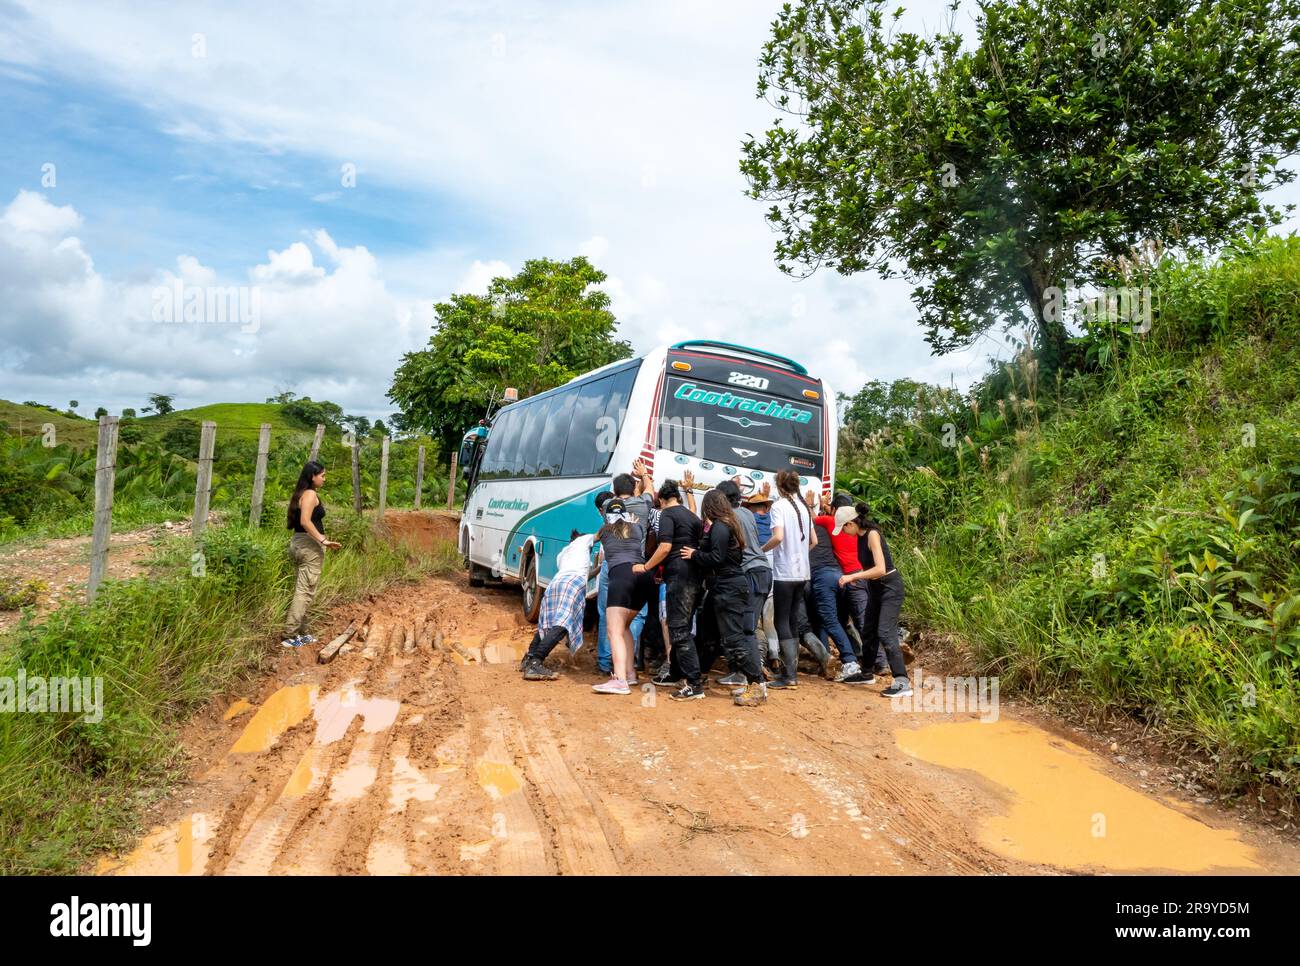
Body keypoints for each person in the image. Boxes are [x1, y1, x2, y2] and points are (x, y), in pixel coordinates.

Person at [682, 490, 765, 706]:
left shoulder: (721, 525)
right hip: (723, 587)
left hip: (728, 587)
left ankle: (758, 684)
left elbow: (716, 558)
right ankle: (697, 678)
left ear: (709, 506)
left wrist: (694, 554)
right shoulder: (730, 523)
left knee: (733, 639)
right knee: (708, 634)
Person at [635, 479, 704, 692]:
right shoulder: (692, 516)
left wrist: (646, 566)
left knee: (678, 629)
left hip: (678, 575)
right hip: (695, 575)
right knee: (681, 625)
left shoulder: (667, 514)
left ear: (662, 500)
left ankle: (694, 683)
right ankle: (675, 673)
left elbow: (664, 547)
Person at [847, 502, 911, 697]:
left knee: (885, 632)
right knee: (868, 630)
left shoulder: (872, 534)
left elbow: (880, 568)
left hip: (890, 587)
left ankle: (902, 681)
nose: (842, 531)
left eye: (843, 527)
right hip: (875, 588)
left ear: (852, 523)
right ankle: (866, 672)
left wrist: (853, 576)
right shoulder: (859, 536)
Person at [593, 498, 655, 695]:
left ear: (606, 515)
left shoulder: (604, 530)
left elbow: (592, 538)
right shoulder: (636, 528)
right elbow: (631, 526)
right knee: (625, 626)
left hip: (621, 577)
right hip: (643, 578)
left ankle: (619, 680)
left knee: (614, 631)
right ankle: (630, 673)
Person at [716, 479, 774, 688]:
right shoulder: (748, 514)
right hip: (764, 570)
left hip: (749, 572)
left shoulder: (728, 518)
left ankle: (752, 677)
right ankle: (743, 672)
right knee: (746, 625)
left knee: (745, 627)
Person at [761, 470, 816, 688]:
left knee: (780, 621)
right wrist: (800, 554)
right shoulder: (804, 507)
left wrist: (762, 550)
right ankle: (790, 673)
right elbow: (813, 541)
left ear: (781, 488)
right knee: (792, 621)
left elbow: (778, 537)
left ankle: (789, 676)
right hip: (803, 572)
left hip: (784, 572)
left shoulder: (779, 506)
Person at [519, 529, 598, 680]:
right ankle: (536, 662)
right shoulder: (584, 540)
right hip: (572, 585)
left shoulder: (564, 553)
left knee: (547, 624)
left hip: (555, 584)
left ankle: (528, 658)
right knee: (562, 625)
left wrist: (600, 569)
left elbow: (583, 574)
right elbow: (600, 534)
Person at [595, 469, 650, 674]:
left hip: (614, 566)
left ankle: (606, 663)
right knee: (634, 619)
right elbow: (650, 491)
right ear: (634, 489)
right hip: (638, 566)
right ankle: (629, 664)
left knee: (607, 616)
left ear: (615, 492)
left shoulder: (609, 506)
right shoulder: (643, 506)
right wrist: (643, 476)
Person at [283, 461, 341, 648]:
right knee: (305, 590)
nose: (325, 479)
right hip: (309, 547)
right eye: (322, 475)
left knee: (305, 588)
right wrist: (322, 540)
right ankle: (289, 634)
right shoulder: (310, 494)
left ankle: (302, 631)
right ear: (312, 476)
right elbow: (306, 521)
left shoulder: (301, 494)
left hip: (299, 544)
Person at [809, 503, 861, 679]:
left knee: (828, 620)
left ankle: (850, 661)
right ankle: (827, 660)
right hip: (839, 575)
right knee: (831, 620)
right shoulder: (826, 527)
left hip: (822, 578)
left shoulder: (804, 528)